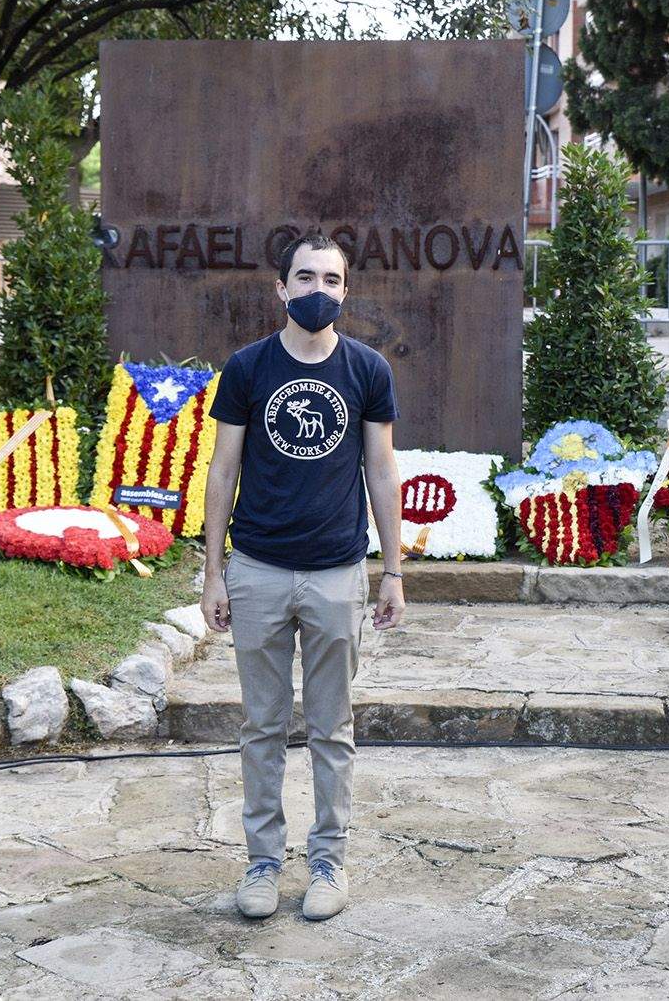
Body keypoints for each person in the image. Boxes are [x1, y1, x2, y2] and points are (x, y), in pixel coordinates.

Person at [201, 231, 406, 923]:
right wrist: (213, 573)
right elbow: (223, 470)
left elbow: (380, 470)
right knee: (261, 726)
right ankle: (261, 864)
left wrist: (392, 571)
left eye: (332, 279)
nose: (319, 290)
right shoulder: (249, 368)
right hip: (257, 570)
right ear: (281, 288)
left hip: (336, 574)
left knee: (330, 727)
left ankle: (328, 863)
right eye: (306, 277)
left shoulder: (367, 370)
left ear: (345, 290)